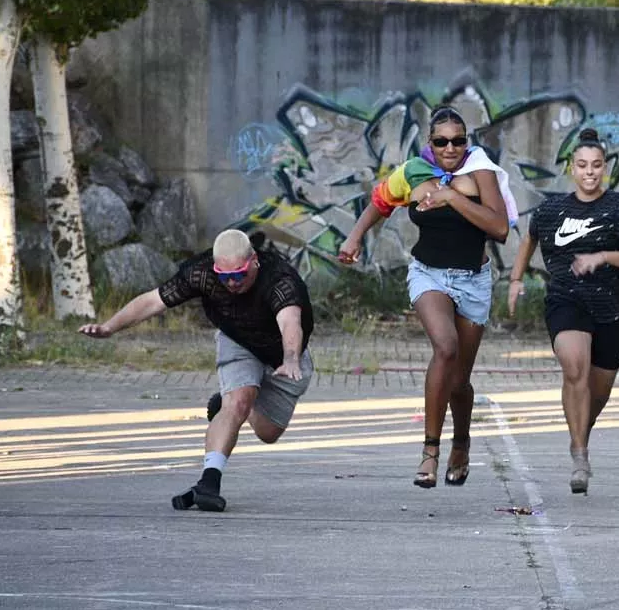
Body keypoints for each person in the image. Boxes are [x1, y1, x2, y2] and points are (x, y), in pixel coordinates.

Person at [81, 229, 314, 511]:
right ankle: (209, 480)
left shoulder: (280, 280)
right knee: (238, 401)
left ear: (254, 261)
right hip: (237, 341)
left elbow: (290, 322)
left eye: (238, 275)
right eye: (224, 276)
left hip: (282, 355)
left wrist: (290, 358)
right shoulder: (202, 273)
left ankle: (231, 405)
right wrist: (109, 327)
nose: (231, 283)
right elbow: (153, 301)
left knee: (268, 433)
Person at [338, 108, 510, 487]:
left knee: (459, 382)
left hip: (473, 281)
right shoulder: (413, 172)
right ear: (429, 143)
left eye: (459, 140)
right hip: (428, 274)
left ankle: (461, 443)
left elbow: (499, 228)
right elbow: (380, 203)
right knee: (445, 348)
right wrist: (353, 238)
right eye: (441, 141)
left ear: (468, 141)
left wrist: (451, 196)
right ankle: (430, 451)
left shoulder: (481, 171)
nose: (451, 148)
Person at [507, 128, 619, 494]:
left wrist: (602, 256)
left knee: (596, 393)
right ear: (572, 168)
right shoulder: (553, 209)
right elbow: (529, 238)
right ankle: (580, 454)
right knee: (574, 366)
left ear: (605, 169)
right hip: (567, 300)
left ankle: (579, 434)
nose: (589, 172)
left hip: (614, 307)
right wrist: (515, 280)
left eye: (596, 166)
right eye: (582, 165)